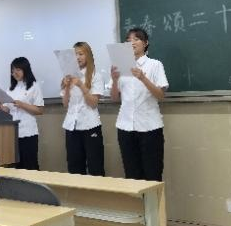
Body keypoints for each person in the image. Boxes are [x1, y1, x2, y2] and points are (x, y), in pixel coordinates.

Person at [109, 28, 169, 181]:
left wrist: (143, 78)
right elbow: (114, 99)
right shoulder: (120, 66)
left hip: (149, 127)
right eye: (128, 40)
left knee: (152, 174)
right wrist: (114, 80)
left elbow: (161, 95)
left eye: (136, 39)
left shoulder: (154, 65)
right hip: (125, 127)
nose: (132, 43)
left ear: (145, 43)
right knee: (132, 175)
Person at [61, 42, 105, 176]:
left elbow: (93, 103)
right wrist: (67, 87)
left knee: (95, 167)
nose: (77, 57)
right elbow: (65, 104)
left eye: (81, 54)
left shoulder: (95, 75)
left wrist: (81, 85)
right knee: (74, 167)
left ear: (88, 56)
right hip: (71, 126)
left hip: (90, 125)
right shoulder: (68, 76)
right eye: (75, 54)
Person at [0, 57, 44, 170]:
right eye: (12, 70)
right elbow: (8, 110)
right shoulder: (11, 89)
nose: (14, 73)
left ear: (25, 69)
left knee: (30, 165)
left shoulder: (34, 86)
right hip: (13, 132)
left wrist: (22, 104)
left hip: (28, 132)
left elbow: (40, 110)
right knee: (17, 167)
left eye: (18, 70)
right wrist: (0, 106)